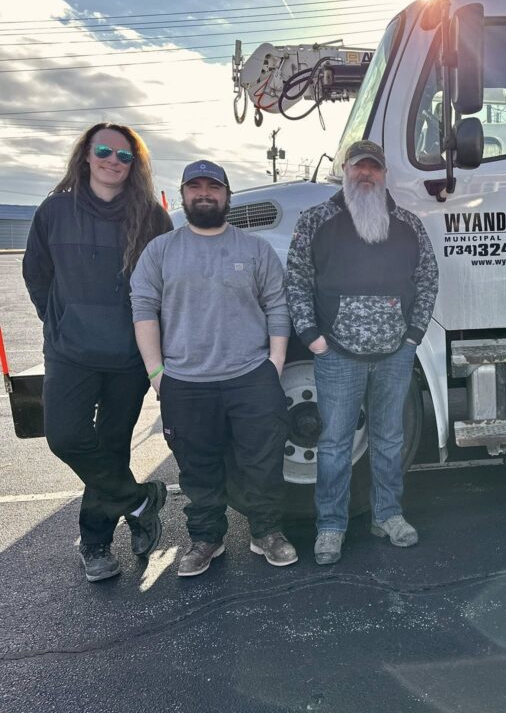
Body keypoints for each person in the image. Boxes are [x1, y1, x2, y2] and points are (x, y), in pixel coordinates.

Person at [131, 160, 298, 577]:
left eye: (213, 187)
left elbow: (278, 305)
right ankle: (206, 540)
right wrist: (156, 373)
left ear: (227, 194)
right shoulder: (161, 250)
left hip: (250, 377)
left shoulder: (254, 249)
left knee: (262, 463)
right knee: (197, 468)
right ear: (184, 194)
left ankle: (267, 533)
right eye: (195, 187)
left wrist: (274, 363)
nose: (204, 194)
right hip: (185, 383)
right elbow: (143, 310)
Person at [22, 123, 172, 582]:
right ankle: (142, 501)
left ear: (135, 164)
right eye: (103, 150)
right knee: (65, 437)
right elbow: (36, 275)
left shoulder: (151, 218)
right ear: (85, 155)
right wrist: (60, 322)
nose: (113, 160)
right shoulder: (54, 211)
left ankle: (96, 543)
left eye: (124, 156)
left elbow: (165, 286)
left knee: (110, 448)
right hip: (71, 353)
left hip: (128, 356)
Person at [286, 140, 438, 564]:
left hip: (395, 354)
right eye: (359, 167)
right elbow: (296, 278)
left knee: (389, 439)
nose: (366, 174)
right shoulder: (316, 220)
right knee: (334, 443)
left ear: (384, 174)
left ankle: (388, 515)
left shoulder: (407, 224)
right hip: (336, 354)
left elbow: (427, 279)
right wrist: (312, 335)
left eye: (374, 168)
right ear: (345, 170)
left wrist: (414, 335)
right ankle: (331, 527)